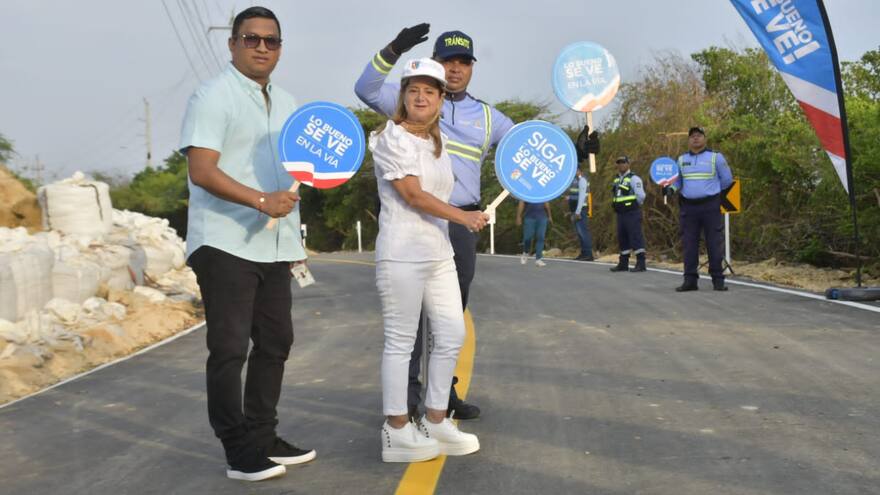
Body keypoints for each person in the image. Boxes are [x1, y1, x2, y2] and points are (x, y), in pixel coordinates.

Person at [355, 25, 599, 421]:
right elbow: (366, 88)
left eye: (462, 62)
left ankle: (442, 397)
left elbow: (532, 148)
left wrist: (576, 146)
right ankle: (407, 401)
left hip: (460, 225)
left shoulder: (487, 117)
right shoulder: (414, 101)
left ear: (471, 68)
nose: (454, 69)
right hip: (415, 220)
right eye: (446, 61)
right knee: (410, 321)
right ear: (434, 65)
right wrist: (396, 47)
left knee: (449, 319)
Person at [179, 7, 315, 482]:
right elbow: (202, 170)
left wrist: (294, 235)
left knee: (277, 341)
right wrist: (260, 201)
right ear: (233, 43)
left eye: (271, 41)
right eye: (251, 38)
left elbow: (296, 177)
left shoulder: (290, 104)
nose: (261, 47)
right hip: (224, 242)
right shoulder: (213, 96)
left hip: (274, 246)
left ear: (280, 48)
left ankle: (262, 435)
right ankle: (237, 447)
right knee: (230, 347)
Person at [370, 57, 487, 463]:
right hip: (401, 254)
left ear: (440, 99)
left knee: (452, 334)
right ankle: (397, 429)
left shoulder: (437, 144)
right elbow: (414, 195)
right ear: (403, 96)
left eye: (430, 91)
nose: (421, 97)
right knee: (401, 343)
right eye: (414, 90)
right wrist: (465, 217)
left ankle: (436, 419)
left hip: (439, 254)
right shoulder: (391, 138)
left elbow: (444, 192)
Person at [664, 126, 734, 291]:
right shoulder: (681, 160)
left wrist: (713, 192)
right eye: (692, 136)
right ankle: (690, 281)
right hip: (689, 207)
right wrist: (670, 189)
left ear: (705, 139)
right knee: (689, 244)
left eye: (699, 135)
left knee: (714, 243)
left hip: (710, 205)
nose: (695, 138)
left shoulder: (716, 158)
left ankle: (718, 280)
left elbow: (727, 180)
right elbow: (678, 182)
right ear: (688, 140)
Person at [608, 156, 647, 272]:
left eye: (623, 162)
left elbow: (641, 196)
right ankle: (623, 263)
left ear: (628, 164)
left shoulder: (634, 178)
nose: (621, 165)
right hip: (620, 213)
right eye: (619, 163)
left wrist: (633, 205)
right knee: (622, 238)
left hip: (632, 212)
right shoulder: (617, 179)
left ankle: (641, 263)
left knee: (635, 237)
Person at [566, 168, 594, 261]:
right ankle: (584, 253)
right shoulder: (576, 179)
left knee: (583, 232)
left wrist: (577, 212)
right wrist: (569, 197)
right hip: (576, 209)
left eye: (575, 170)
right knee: (579, 232)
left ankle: (588, 254)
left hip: (581, 210)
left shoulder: (582, 180)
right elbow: (576, 194)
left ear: (579, 170)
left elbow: (582, 196)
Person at [517, 201, 553, 266]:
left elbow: (546, 203)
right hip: (529, 217)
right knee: (527, 238)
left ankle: (538, 259)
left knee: (541, 237)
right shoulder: (527, 191)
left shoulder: (543, 191)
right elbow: (521, 203)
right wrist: (518, 217)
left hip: (542, 217)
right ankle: (525, 252)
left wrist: (549, 216)